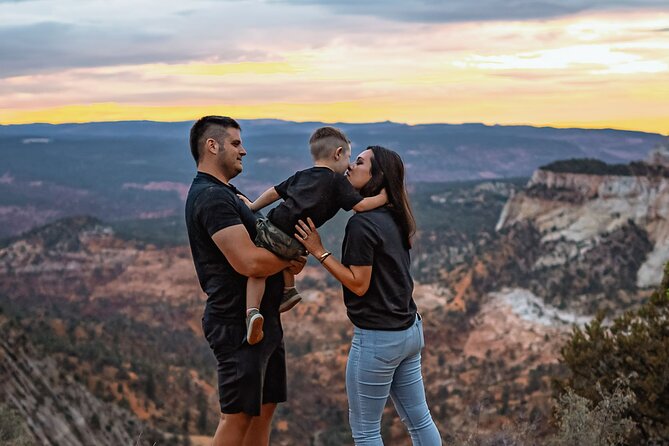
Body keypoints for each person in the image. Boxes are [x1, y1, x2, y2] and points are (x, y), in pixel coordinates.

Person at [295, 146, 442, 445]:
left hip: (379, 339)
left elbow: (358, 284)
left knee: (366, 431)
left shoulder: (362, 225)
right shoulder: (394, 217)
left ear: (377, 177)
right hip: (409, 330)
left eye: (359, 162)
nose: (350, 166)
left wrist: (318, 251)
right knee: (419, 420)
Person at [184, 116, 305, 446]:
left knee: (262, 413)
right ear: (213, 145)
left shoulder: (228, 193)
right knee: (237, 418)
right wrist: (289, 257)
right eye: (236, 143)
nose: (244, 151)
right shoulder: (212, 198)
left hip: (263, 322)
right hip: (237, 322)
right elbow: (248, 261)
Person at [240, 126, 387, 345]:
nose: (349, 166)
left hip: (273, 229)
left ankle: (252, 311)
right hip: (299, 242)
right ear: (337, 153)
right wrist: (385, 196)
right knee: (288, 257)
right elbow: (363, 205)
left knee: (258, 274)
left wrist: (252, 206)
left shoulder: (301, 175)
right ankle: (288, 290)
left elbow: (274, 193)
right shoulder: (338, 183)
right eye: (348, 157)